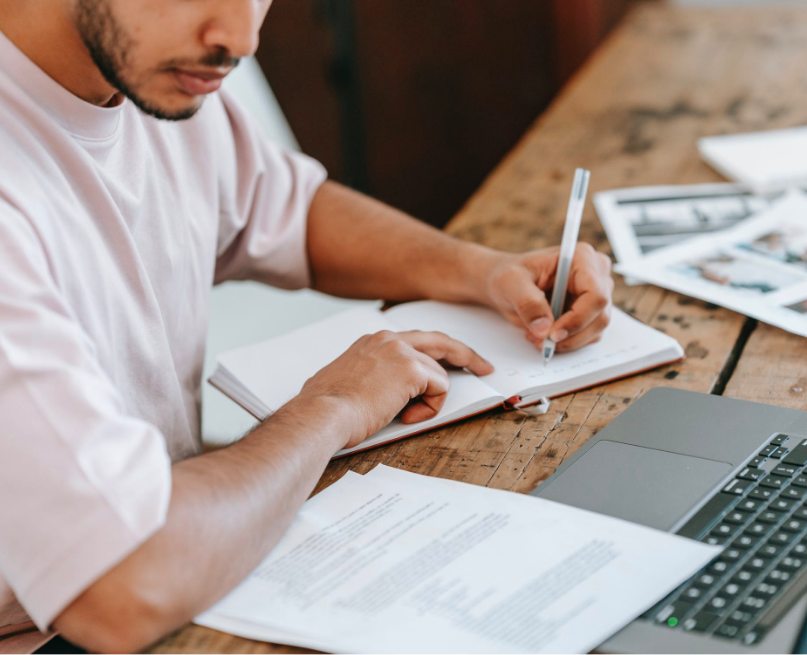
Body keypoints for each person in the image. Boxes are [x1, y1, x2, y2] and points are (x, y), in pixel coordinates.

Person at [0, 0, 614, 651]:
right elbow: (121, 584)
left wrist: (482, 270)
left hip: (178, 560)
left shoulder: (149, 73)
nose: (240, 38)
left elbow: (283, 209)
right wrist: (333, 404)